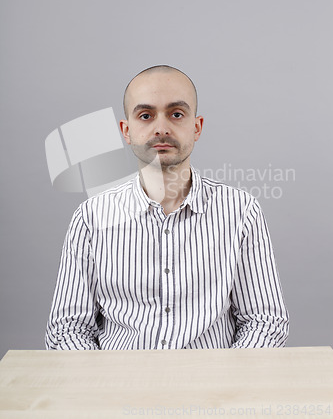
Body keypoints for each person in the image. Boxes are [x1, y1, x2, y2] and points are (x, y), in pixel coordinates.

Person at [45, 65, 289, 350]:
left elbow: (265, 322)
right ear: (127, 130)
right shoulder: (91, 218)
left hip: (212, 389)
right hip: (119, 389)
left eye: (176, 114)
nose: (161, 128)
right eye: (145, 116)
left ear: (196, 127)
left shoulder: (241, 212)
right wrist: (106, 389)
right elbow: (67, 329)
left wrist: (224, 385)